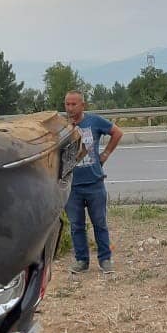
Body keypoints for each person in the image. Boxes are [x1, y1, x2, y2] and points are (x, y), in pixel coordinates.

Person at [62, 90, 123, 274]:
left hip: (94, 182)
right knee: (76, 225)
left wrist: (104, 154)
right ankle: (82, 261)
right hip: (72, 185)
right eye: (67, 104)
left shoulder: (94, 121)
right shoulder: (61, 127)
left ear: (83, 105)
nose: (70, 108)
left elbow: (117, 133)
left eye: (74, 104)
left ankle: (105, 259)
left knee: (99, 222)